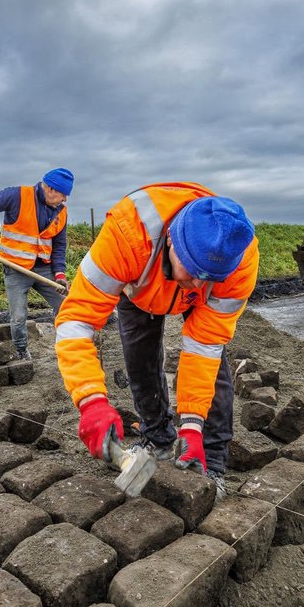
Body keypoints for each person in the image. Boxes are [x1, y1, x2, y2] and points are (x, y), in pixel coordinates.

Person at [54, 182, 259, 499]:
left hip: (197, 297)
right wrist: (91, 402)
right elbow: (76, 322)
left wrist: (191, 425)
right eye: (192, 272)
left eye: (209, 278)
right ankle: (158, 438)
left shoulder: (238, 260)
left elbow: (203, 347)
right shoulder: (127, 233)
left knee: (214, 367)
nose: (197, 285)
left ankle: (211, 460)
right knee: (140, 360)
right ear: (174, 243)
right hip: (139, 287)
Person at [0, 168, 74, 360]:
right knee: (18, 316)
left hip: (44, 269)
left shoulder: (61, 213)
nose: (64, 200)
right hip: (16, 268)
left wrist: (59, 274)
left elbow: (59, 246)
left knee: (66, 305)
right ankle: (22, 351)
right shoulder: (18, 196)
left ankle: (68, 346)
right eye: (63, 195)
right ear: (50, 189)